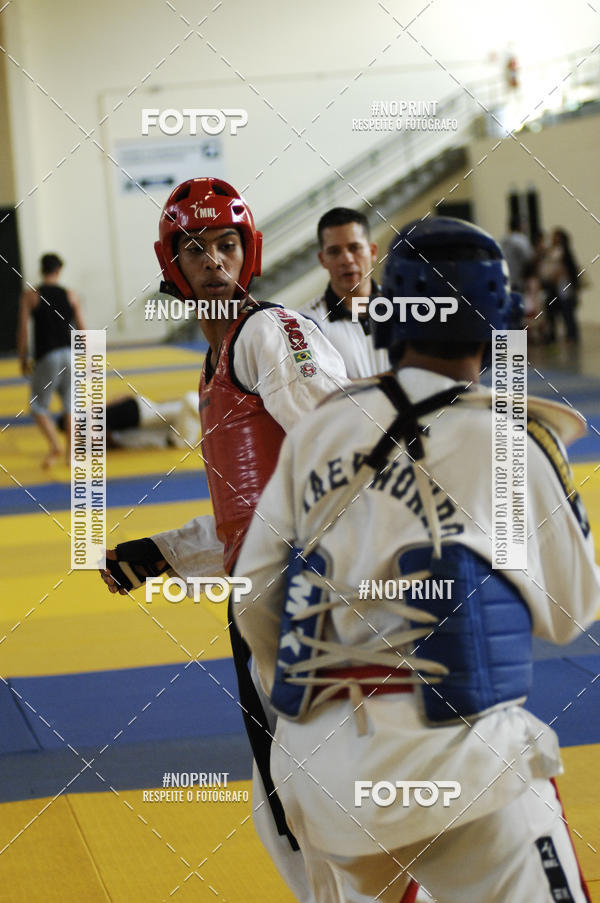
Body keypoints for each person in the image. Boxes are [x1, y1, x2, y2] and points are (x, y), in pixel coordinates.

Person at [233, 217, 599, 902]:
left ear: (388, 312)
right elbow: (569, 613)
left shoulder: (319, 427)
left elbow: (254, 600)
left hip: (316, 778)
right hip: (451, 769)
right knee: (510, 786)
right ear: (497, 318)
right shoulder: (512, 440)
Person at [99, 178, 350, 903]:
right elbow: (258, 512)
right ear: (171, 263)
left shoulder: (270, 333)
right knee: (282, 808)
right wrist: (166, 553)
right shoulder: (214, 367)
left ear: (251, 253)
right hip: (262, 600)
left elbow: (348, 451)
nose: (212, 259)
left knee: (315, 803)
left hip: (313, 603)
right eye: (194, 247)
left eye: (226, 244)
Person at [17, 252, 86, 468]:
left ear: (41, 270)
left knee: (37, 406)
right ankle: (71, 455)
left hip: (48, 356)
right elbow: (82, 328)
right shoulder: (71, 294)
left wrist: (22, 359)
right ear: (59, 270)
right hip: (70, 353)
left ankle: (56, 445)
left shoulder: (31, 295)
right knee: (71, 406)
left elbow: (23, 332)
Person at [302, 207, 389, 378]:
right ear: (322, 259)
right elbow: (320, 394)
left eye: (354, 248)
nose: (346, 259)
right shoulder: (305, 323)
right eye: (334, 251)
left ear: (372, 251)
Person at [57, 391, 201, 449]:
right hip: (138, 409)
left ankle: (203, 407)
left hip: (139, 412)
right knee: (178, 409)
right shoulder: (87, 420)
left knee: (180, 407)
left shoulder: (87, 422)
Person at [544, 228, 581, 345]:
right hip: (552, 287)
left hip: (564, 286)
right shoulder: (550, 251)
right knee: (550, 310)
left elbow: (572, 271)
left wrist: (574, 287)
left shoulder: (566, 253)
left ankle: (572, 335)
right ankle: (552, 335)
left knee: (567, 311)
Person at [499, 214, 532, 293]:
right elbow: (528, 259)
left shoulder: (503, 240)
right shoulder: (521, 239)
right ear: (520, 225)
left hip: (504, 280)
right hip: (518, 281)